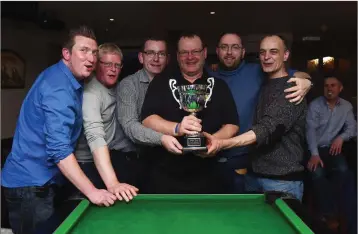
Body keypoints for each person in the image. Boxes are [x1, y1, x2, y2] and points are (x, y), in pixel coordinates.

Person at [1, 26, 117, 234]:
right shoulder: (58, 88)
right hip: (30, 185)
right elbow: (59, 150)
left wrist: (112, 183)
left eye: (93, 52)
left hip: (42, 182)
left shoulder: (69, 78)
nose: (90, 58)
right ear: (66, 53)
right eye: (83, 50)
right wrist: (93, 192)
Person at [206, 32, 312, 193]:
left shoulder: (292, 88)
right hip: (253, 175)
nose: (267, 57)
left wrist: (307, 81)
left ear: (286, 55)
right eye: (262, 52)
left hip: (282, 181)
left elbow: (266, 129)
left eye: (273, 52)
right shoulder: (265, 83)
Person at [140, 32, 239, 193]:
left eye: (195, 51)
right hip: (165, 176)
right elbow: (147, 119)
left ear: (204, 53)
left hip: (209, 177)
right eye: (184, 52)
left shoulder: (219, 86)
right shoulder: (160, 83)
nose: (190, 57)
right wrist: (177, 127)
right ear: (178, 56)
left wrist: (212, 141)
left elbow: (232, 124)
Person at [74, 43, 138, 202]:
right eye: (107, 64)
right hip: (86, 164)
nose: (113, 69)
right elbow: (94, 135)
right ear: (96, 65)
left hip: (106, 160)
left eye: (117, 65)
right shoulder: (92, 93)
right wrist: (113, 183)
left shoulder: (117, 87)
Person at [116, 36, 182, 192]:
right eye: (151, 53)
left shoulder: (175, 84)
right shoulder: (128, 85)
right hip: (132, 161)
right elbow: (130, 126)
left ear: (168, 58)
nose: (156, 58)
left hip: (165, 161)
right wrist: (162, 138)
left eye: (161, 54)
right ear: (141, 57)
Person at [306, 76, 357, 222]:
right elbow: (310, 132)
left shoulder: (346, 106)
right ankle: (329, 213)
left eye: (333, 85)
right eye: (326, 86)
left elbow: (352, 128)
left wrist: (341, 138)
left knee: (343, 171)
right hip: (313, 148)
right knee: (317, 173)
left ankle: (329, 209)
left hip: (331, 149)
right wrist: (314, 154)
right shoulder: (315, 105)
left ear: (340, 88)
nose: (329, 88)